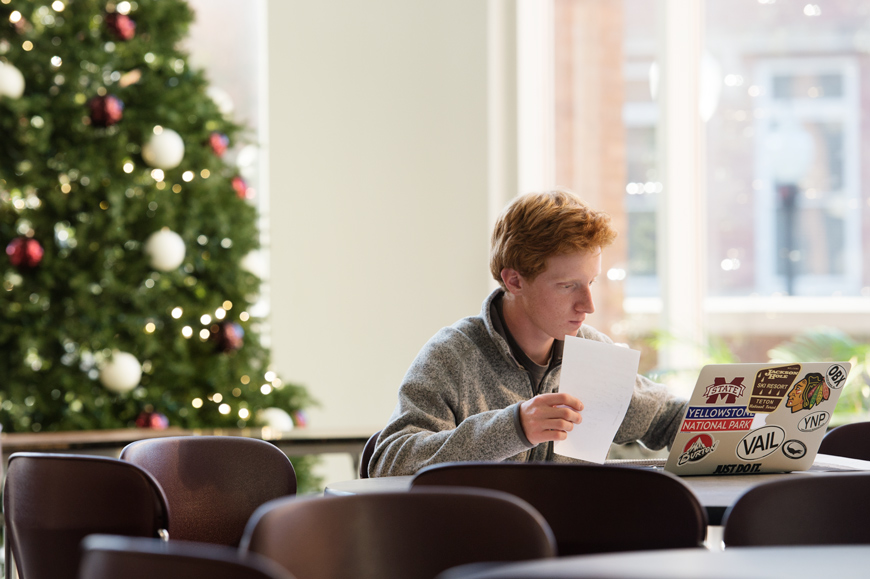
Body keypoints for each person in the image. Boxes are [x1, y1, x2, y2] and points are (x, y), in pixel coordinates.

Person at [369, 189, 687, 477]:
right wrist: (514, 427)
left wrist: (726, 419)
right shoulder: (453, 355)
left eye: (591, 282)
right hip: (478, 538)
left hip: (575, 538)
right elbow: (391, 463)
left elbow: (670, 420)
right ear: (514, 281)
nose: (587, 306)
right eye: (567, 286)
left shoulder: (593, 354)